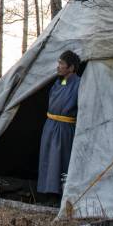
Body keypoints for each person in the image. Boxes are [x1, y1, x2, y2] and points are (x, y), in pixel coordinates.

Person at [36, 50, 81, 202]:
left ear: (71, 68)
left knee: (61, 161)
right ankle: (46, 193)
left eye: (62, 63)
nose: (58, 66)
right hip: (51, 126)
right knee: (47, 159)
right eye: (59, 63)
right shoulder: (59, 81)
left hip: (65, 128)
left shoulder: (79, 84)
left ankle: (59, 196)